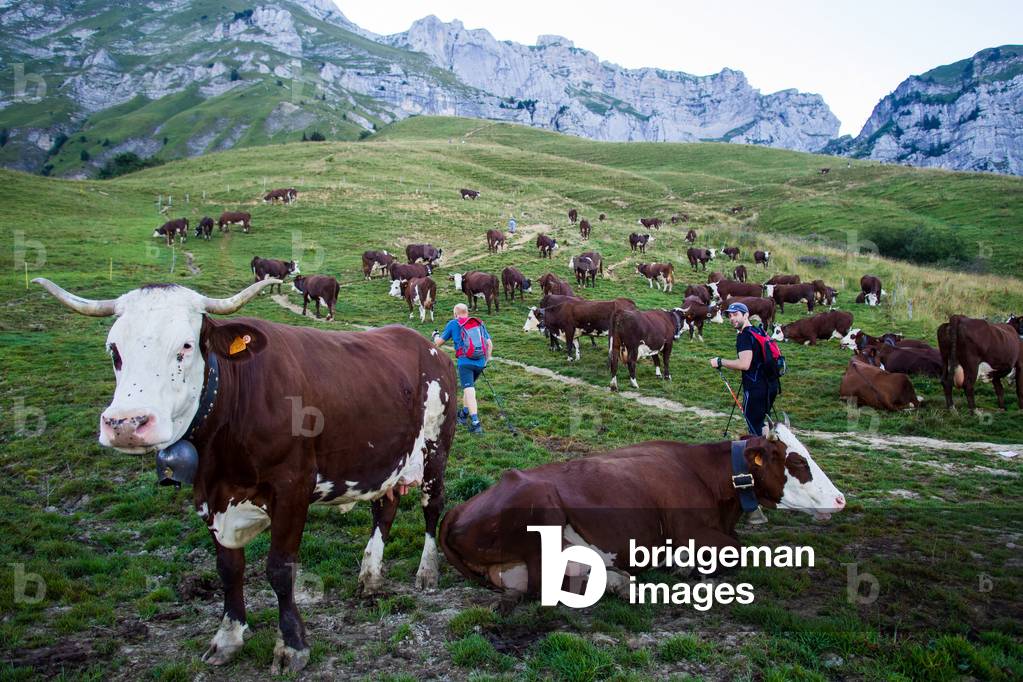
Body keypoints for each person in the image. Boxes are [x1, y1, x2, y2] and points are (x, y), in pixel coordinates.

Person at [709, 302, 779, 438]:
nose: (732, 318)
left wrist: (719, 361)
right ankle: (774, 449)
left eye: (736, 314)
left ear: (746, 315)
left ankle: (763, 456)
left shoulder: (744, 336)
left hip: (756, 388)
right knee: (762, 422)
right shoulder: (759, 331)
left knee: (754, 426)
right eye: (730, 316)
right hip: (770, 385)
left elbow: (744, 364)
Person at [433, 303, 493, 434]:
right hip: (480, 362)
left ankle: (476, 423)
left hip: (465, 363)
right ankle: (464, 414)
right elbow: (489, 343)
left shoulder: (454, 324)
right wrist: (486, 361)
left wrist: (435, 335)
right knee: (469, 387)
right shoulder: (478, 323)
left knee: (469, 390)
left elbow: (438, 343)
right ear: (467, 312)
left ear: (455, 314)